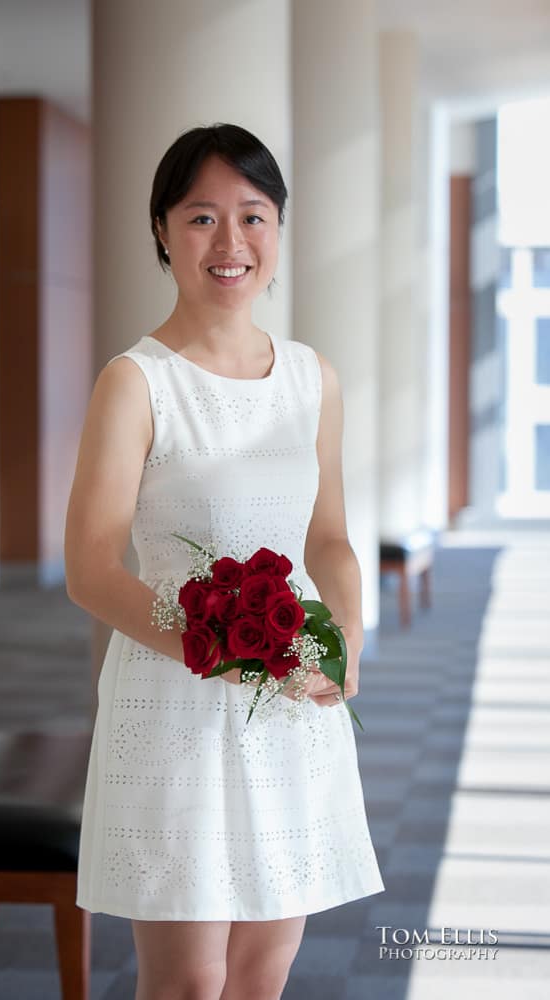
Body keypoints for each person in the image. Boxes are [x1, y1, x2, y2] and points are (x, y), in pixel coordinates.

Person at [64, 123, 384, 1000]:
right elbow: (90, 567)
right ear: (162, 231)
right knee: (187, 982)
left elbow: (327, 537)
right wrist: (225, 648)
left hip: (289, 708)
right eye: (202, 217)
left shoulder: (313, 378)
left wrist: (347, 635)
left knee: (259, 975)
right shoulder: (136, 381)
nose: (231, 242)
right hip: (174, 704)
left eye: (253, 215)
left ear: (278, 230)